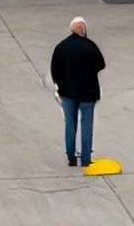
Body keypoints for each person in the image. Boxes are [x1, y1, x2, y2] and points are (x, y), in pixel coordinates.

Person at [50, 16, 106, 168]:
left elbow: (54, 68)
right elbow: (101, 64)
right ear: (84, 30)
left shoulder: (61, 46)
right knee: (86, 124)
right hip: (88, 92)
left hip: (67, 92)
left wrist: (60, 83)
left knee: (70, 123)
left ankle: (71, 157)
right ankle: (86, 159)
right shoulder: (91, 46)